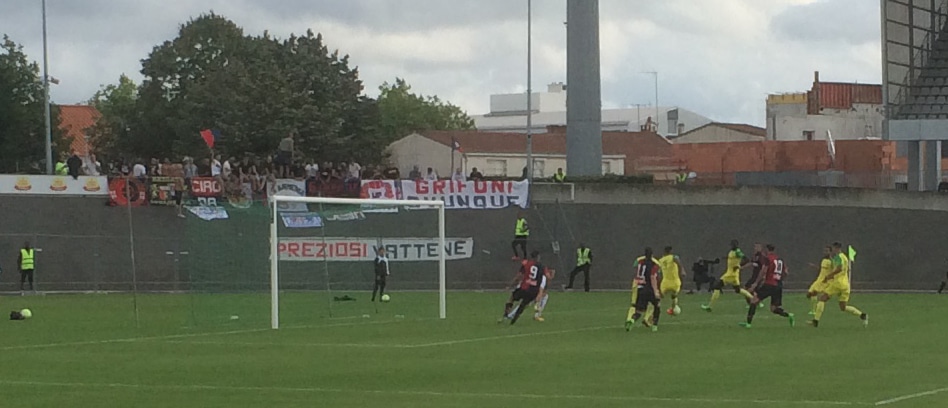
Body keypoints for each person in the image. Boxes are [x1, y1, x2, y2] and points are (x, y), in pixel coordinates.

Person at [810, 242, 868, 328]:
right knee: (843, 307)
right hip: (845, 285)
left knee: (822, 299)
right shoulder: (844, 257)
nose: (832, 250)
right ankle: (863, 315)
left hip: (837, 283)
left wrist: (829, 276)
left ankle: (815, 321)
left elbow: (839, 268)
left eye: (833, 249)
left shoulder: (838, 257)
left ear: (836, 248)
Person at [740, 244, 795, 328]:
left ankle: (748, 323)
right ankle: (789, 315)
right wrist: (781, 280)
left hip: (769, 284)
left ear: (766, 250)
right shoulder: (780, 260)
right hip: (778, 285)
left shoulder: (767, 259)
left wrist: (755, 283)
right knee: (773, 309)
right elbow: (786, 272)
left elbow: (763, 271)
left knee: (753, 301)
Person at [701, 240, 754, 312]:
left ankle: (710, 306)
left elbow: (746, 259)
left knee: (717, 286)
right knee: (738, 290)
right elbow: (733, 259)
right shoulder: (732, 252)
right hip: (733, 274)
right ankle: (755, 300)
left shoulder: (737, 252)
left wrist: (738, 266)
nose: (732, 246)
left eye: (733, 245)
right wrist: (726, 258)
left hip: (731, 274)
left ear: (736, 245)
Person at [625, 248, 662, 332]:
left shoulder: (640, 261)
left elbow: (635, 268)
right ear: (652, 255)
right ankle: (654, 326)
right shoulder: (654, 264)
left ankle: (632, 320)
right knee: (657, 306)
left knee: (639, 310)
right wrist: (656, 291)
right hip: (649, 288)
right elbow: (653, 277)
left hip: (640, 287)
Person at [507, 251, 549, 325]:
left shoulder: (526, 263)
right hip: (534, 290)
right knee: (524, 304)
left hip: (524, 287)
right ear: (538, 257)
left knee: (512, 297)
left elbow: (519, 276)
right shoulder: (542, 267)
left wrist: (510, 285)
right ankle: (514, 319)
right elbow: (546, 277)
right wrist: (540, 292)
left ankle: (506, 313)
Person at [807, 246, 835, 315]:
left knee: (814, 293)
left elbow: (835, 271)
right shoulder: (823, 260)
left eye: (827, 251)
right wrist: (814, 266)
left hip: (825, 281)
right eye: (824, 251)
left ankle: (814, 311)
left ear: (830, 252)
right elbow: (821, 269)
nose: (825, 252)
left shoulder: (832, 261)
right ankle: (814, 309)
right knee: (809, 293)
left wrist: (829, 279)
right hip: (819, 280)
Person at [659, 246, 686, 315]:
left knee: (658, 298)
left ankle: (651, 314)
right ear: (670, 251)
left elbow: (658, 272)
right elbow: (677, 261)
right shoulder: (673, 257)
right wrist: (682, 270)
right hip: (675, 282)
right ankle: (673, 309)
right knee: (674, 295)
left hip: (665, 282)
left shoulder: (661, 260)